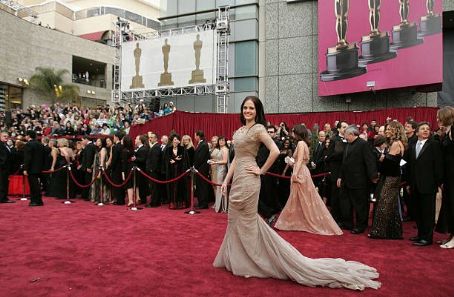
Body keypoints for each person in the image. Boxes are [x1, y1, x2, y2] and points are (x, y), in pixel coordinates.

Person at [215, 96, 380, 290]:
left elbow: (275, 151)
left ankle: (252, 260)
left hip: (250, 180)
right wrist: (226, 181)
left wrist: (261, 171)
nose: (247, 111)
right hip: (238, 180)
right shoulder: (240, 130)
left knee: (249, 221)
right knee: (234, 220)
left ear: (257, 110)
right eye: (245, 107)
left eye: (251, 108)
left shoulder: (259, 129)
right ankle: (236, 257)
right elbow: (236, 159)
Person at [274, 124, 342, 235]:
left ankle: (290, 222)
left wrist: (295, 173)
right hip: (301, 170)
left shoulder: (301, 143)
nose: (292, 134)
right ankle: (295, 221)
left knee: (301, 198)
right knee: (302, 198)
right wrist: (291, 163)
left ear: (298, 133)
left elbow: (300, 160)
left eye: (293, 132)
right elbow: (301, 160)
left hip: (300, 172)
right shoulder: (303, 143)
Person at [406, 122, 443, 247]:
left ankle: (427, 238)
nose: (426, 130)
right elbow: (410, 165)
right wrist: (409, 183)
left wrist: (437, 183)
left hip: (429, 185)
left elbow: (438, 166)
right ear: (417, 132)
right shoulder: (412, 145)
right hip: (415, 185)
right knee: (418, 211)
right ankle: (420, 234)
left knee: (428, 213)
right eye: (423, 129)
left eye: (428, 129)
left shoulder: (434, 145)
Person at [368, 121, 406, 239]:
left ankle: (378, 232)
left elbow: (390, 164)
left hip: (391, 178)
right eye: (387, 129)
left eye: (390, 129)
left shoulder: (395, 143)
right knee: (392, 205)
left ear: (396, 130)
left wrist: (383, 159)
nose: (387, 131)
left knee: (383, 204)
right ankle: (394, 232)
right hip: (392, 176)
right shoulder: (396, 143)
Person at [337, 125, 378, 234]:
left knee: (360, 205)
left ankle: (361, 225)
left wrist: (373, 176)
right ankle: (348, 223)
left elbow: (370, 161)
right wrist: (340, 176)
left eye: (346, 135)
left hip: (360, 181)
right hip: (347, 180)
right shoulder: (347, 145)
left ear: (351, 134)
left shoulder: (363, 144)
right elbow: (344, 163)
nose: (344, 137)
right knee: (347, 204)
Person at [435, 106, 454, 248]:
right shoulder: (447, 132)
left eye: (439, 117)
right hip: (448, 176)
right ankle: (451, 236)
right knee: (449, 205)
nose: (437, 120)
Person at [23, 130, 45, 206]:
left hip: (31, 168)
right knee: (37, 185)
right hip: (39, 167)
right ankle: (38, 200)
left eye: (26, 135)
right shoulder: (40, 144)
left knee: (33, 185)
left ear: (28, 136)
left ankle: (35, 201)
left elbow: (27, 158)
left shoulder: (28, 144)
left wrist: (25, 168)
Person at [210, 136, 229, 213]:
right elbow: (220, 159)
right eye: (220, 140)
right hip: (219, 169)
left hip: (222, 170)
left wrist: (215, 162)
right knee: (219, 187)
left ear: (225, 141)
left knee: (221, 187)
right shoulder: (220, 149)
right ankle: (220, 205)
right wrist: (214, 160)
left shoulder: (224, 149)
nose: (221, 142)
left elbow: (225, 161)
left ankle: (223, 206)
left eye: (222, 140)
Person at [194, 130, 210, 209]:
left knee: (202, 186)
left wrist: (194, 166)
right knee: (199, 186)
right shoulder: (201, 144)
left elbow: (200, 158)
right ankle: (201, 202)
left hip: (202, 169)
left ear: (198, 136)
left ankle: (204, 203)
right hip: (199, 169)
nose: (194, 137)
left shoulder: (203, 144)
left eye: (195, 135)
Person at [146, 132, 162, 207]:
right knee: (154, 187)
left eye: (152, 137)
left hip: (154, 171)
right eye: (150, 137)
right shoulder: (155, 146)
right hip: (154, 171)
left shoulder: (156, 147)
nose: (150, 139)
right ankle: (155, 202)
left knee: (154, 187)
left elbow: (155, 160)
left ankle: (154, 203)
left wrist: (152, 169)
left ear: (156, 138)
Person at [0, 131, 15, 203]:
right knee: (2, 183)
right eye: (4, 136)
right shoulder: (1, 145)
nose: (6, 137)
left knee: (5, 183)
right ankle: (2, 198)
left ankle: (4, 197)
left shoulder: (6, 145)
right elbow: (3, 157)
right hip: (2, 168)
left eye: (7, 136)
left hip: (6, 168)